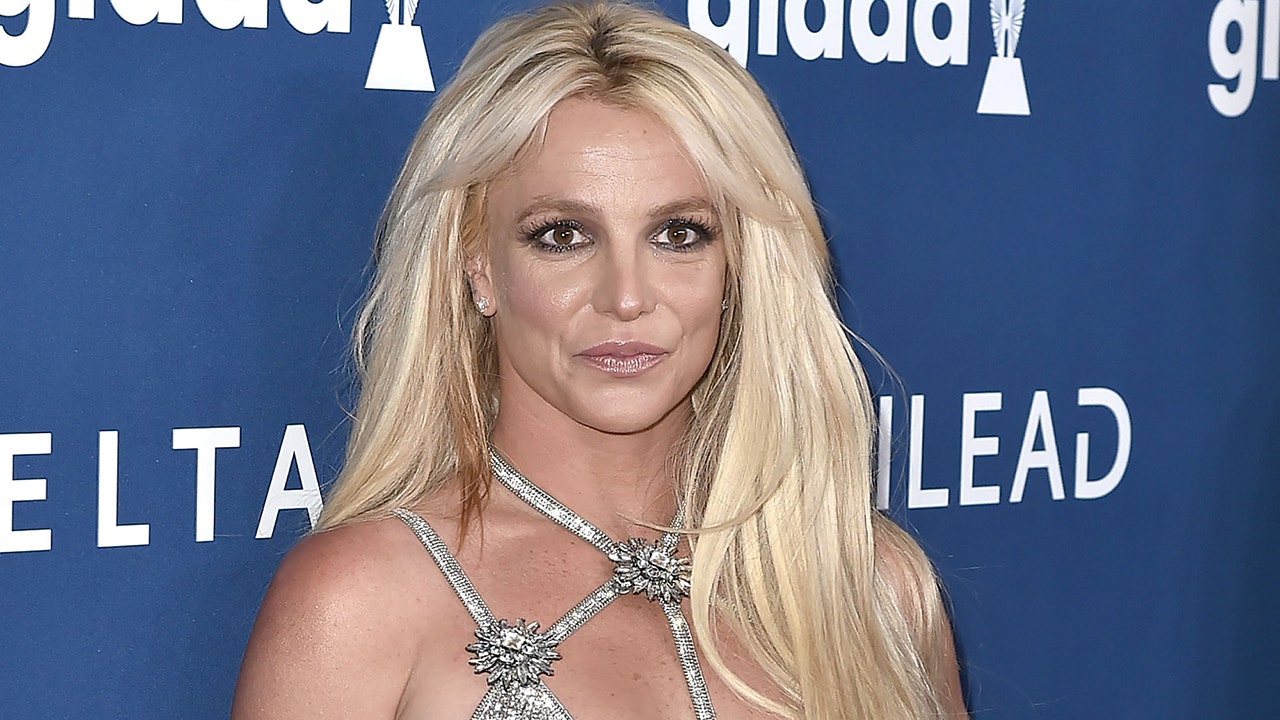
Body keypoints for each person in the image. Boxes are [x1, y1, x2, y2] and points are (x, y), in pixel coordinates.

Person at [231, 1, 967, 718]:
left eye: (678, 234)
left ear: (740, 266)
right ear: (476, 264)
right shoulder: (359, 599)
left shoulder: (871, 587)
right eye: (563, 236)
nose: (626, 298)